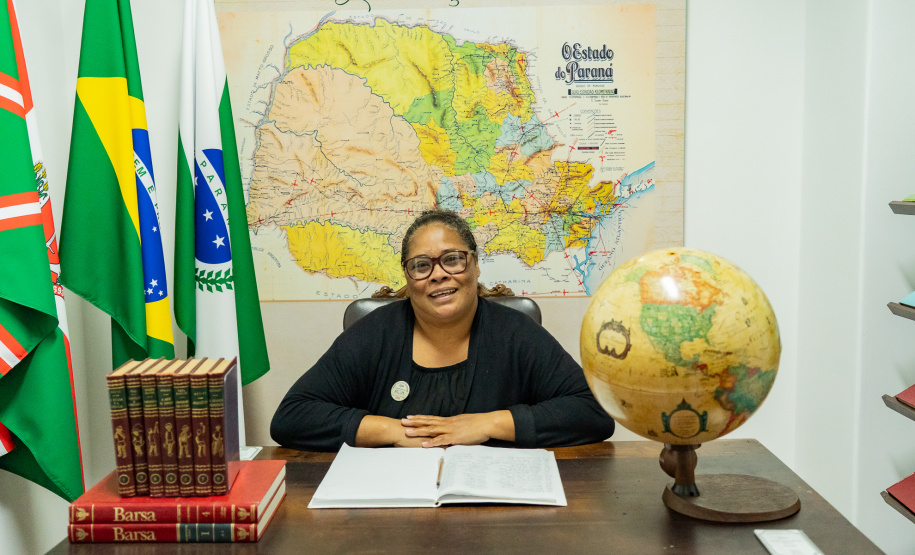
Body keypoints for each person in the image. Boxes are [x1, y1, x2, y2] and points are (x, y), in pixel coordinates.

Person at [270, 209, 614, 451]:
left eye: (452, 259)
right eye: (421, 266)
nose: (438, 275)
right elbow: (292, 417)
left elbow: (592, 412)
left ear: (475, 265)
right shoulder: (374, 334)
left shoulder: (515, 333)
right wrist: (392, 431)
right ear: (408, 278)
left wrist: (486, 424)